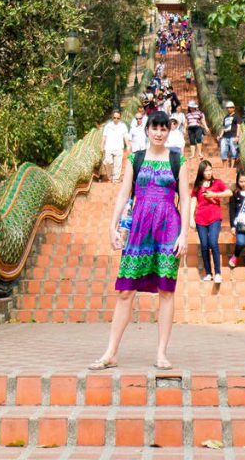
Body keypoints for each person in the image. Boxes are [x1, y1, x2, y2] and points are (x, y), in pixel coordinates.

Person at [91, 112, 190, 371]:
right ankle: (110, 352)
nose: (159, 132)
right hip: (139, 228)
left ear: (169, 131)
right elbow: (124, 193)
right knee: (125, 291)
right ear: (147, 130)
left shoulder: (178, 159)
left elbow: (186, 199)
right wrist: (112, 226)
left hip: (169, 228)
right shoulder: (135, 158)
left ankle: (161, 354)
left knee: (166, 291)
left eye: (163, 128)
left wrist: (185, 235)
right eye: (154, 128)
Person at [190, 160, 230, 282]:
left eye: (210, 169)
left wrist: (215, 194)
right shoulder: (198, 185)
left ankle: (218, 273)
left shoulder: (217, 183)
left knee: (213, 242)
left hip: (214, 218)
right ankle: (208, 273)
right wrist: (191, 217)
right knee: (204, 245)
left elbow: (229, 192)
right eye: (206, 170)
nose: (208, 172)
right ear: (201, 172)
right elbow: (193, 200)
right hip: (201, 219)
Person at [100, 109, 130, 183]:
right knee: (107, 162)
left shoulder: (123, 126)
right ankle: (110, 177)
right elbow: (104, 137)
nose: (116, 119)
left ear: (120, 118)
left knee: (118, 164)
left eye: (118, 118)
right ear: (112, 117)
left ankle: (116, 179)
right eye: (114, 118)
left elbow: (126, 137)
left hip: (119, 148)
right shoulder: (108, 126)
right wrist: (102, 146)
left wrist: (128, 145)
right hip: (108, 147)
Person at [218, 101, 242, 168]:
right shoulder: (225, 117)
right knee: (223, 151)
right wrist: (220, 136)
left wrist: (237, 136)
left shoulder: (236, 117)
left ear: (233, 108)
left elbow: (238, 126)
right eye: (227, 108)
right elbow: (224, 128)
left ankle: (232, 167)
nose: (229, 109)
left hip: (233, 136)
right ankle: (224, 167)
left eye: (230, 107)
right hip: (225, 137)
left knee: (233, 151)